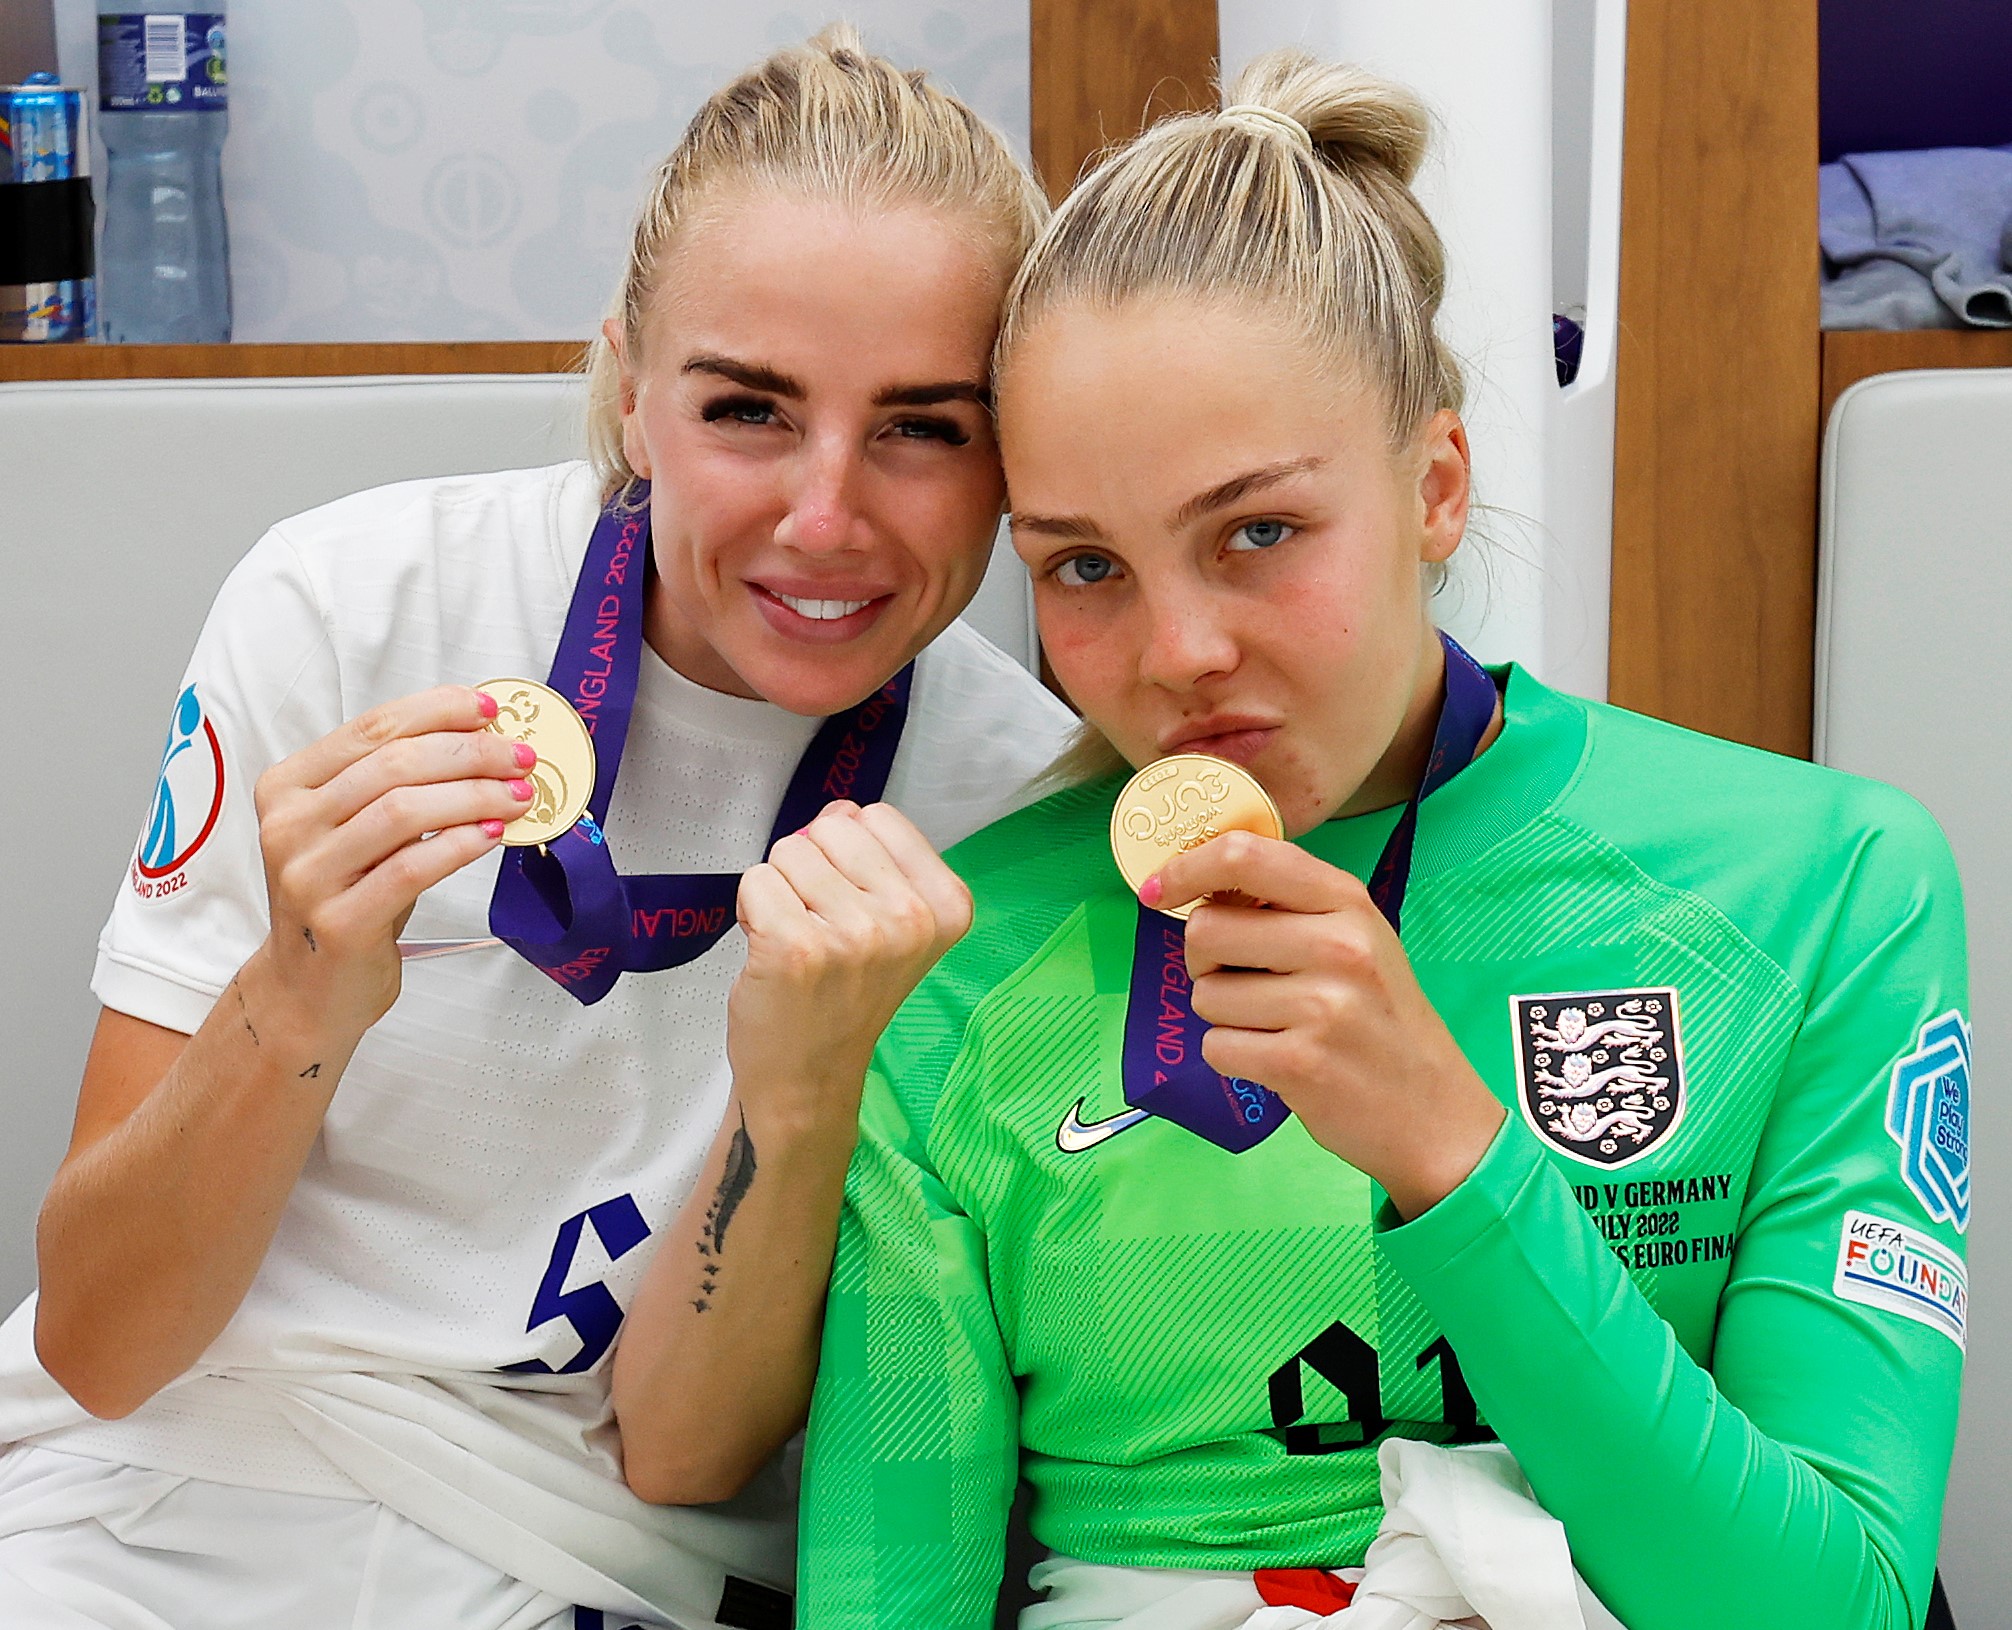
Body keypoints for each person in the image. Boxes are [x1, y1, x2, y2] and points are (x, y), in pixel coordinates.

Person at [798, 50, 1970, 1630]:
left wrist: (1456, 1156)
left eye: (1258, 532)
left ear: (1436, 484)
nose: (1180, 651)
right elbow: (887, 1598)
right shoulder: (946, 962)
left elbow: (1834, 1607)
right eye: (1084, 568)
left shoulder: (1825, 885)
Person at [0, 28, 1075, 1630]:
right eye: (748, 410)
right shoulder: (350, 608)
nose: (829, 513)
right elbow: (100, 1335)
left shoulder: (1021, 801)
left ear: (1012, 459)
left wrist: (805, 1075)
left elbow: (681, 1455)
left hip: (603, 1561)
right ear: (633, 394)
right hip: (169, 1490)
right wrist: (296, 992)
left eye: (925, 425)